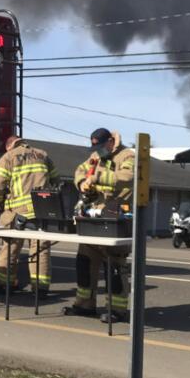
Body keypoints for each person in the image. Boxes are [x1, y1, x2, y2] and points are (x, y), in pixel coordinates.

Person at [64, 128, 135, 324]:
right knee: (85, 260)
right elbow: (80, 170)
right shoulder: (96, 155)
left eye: (100, 146)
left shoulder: (127, 155)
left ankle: (117, 309)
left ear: (111, 141)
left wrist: (97, 177)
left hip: (116, 216)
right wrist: (82, 183)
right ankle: (85, 304)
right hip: (93, 215)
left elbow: (128, 178)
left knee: (114, 264)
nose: (97, 151)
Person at [0, 136, 58, 295]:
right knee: (40, 249)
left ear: (9, 146)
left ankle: (5, 284)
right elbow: (56, 180)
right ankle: (40, 288)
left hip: (18, 212)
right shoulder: (43, 154)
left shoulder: (8, 157)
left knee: (10, 247)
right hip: (42, 211)